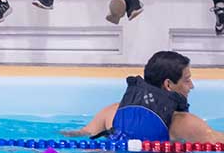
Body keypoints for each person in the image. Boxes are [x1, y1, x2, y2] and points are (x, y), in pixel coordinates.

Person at [63, 51, 224, 142]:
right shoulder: (184, 122)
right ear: (168, 84)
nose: (192, 86)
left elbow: (78, 135)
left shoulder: (112, 112)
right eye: (187, 80)